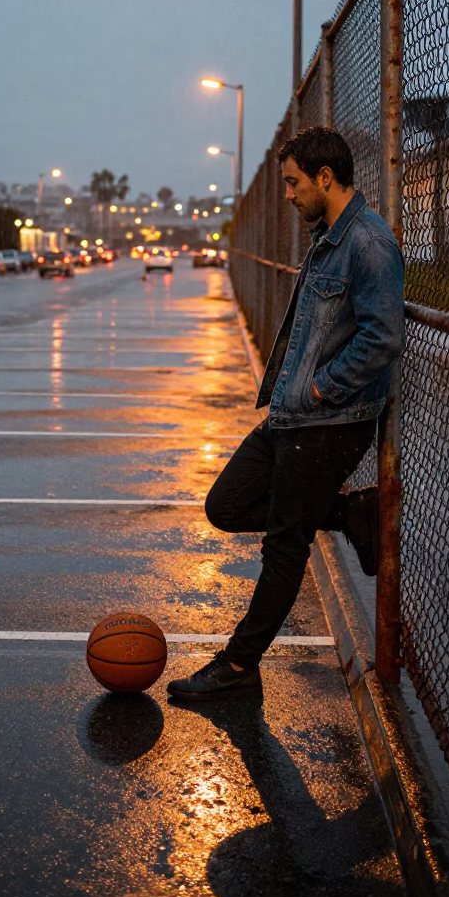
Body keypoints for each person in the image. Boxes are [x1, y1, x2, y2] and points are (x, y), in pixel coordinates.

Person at [168, 127, 405, 702]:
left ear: (326, 177)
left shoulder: (368, 244)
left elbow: (382, 338)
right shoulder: (329, 237)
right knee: (225, 505)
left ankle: (238, 665)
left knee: (285, 546)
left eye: (295, 183)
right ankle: (347, 514)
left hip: (326, 423)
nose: (289, 195)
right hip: (290, 418)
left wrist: (323, 391)